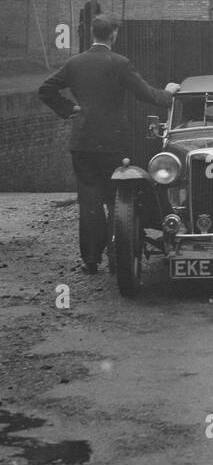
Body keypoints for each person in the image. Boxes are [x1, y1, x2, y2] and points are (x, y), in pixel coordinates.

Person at [38, 16, 180, 274]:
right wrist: (169, 92)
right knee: (118, 198)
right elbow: (147, 94)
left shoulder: (74, 63)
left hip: (82, 143)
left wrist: (70, 109)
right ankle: (118, 256)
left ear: (92, 33)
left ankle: (91, 260)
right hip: (113, 143)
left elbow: (45, 89)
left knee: (89, 200)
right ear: (113, 34)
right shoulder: (119, 63)